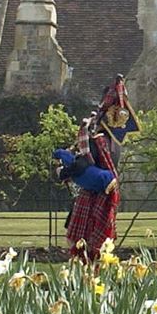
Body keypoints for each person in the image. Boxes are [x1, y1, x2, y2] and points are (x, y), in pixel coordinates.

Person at [65, 111, 120, 262]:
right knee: (97, 244)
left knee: (83, 243)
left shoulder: (99, 141)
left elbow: (83, 163)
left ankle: (86, 276)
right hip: (104, 193)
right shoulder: (114, 142)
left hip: (92, 195)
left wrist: (66, 171)